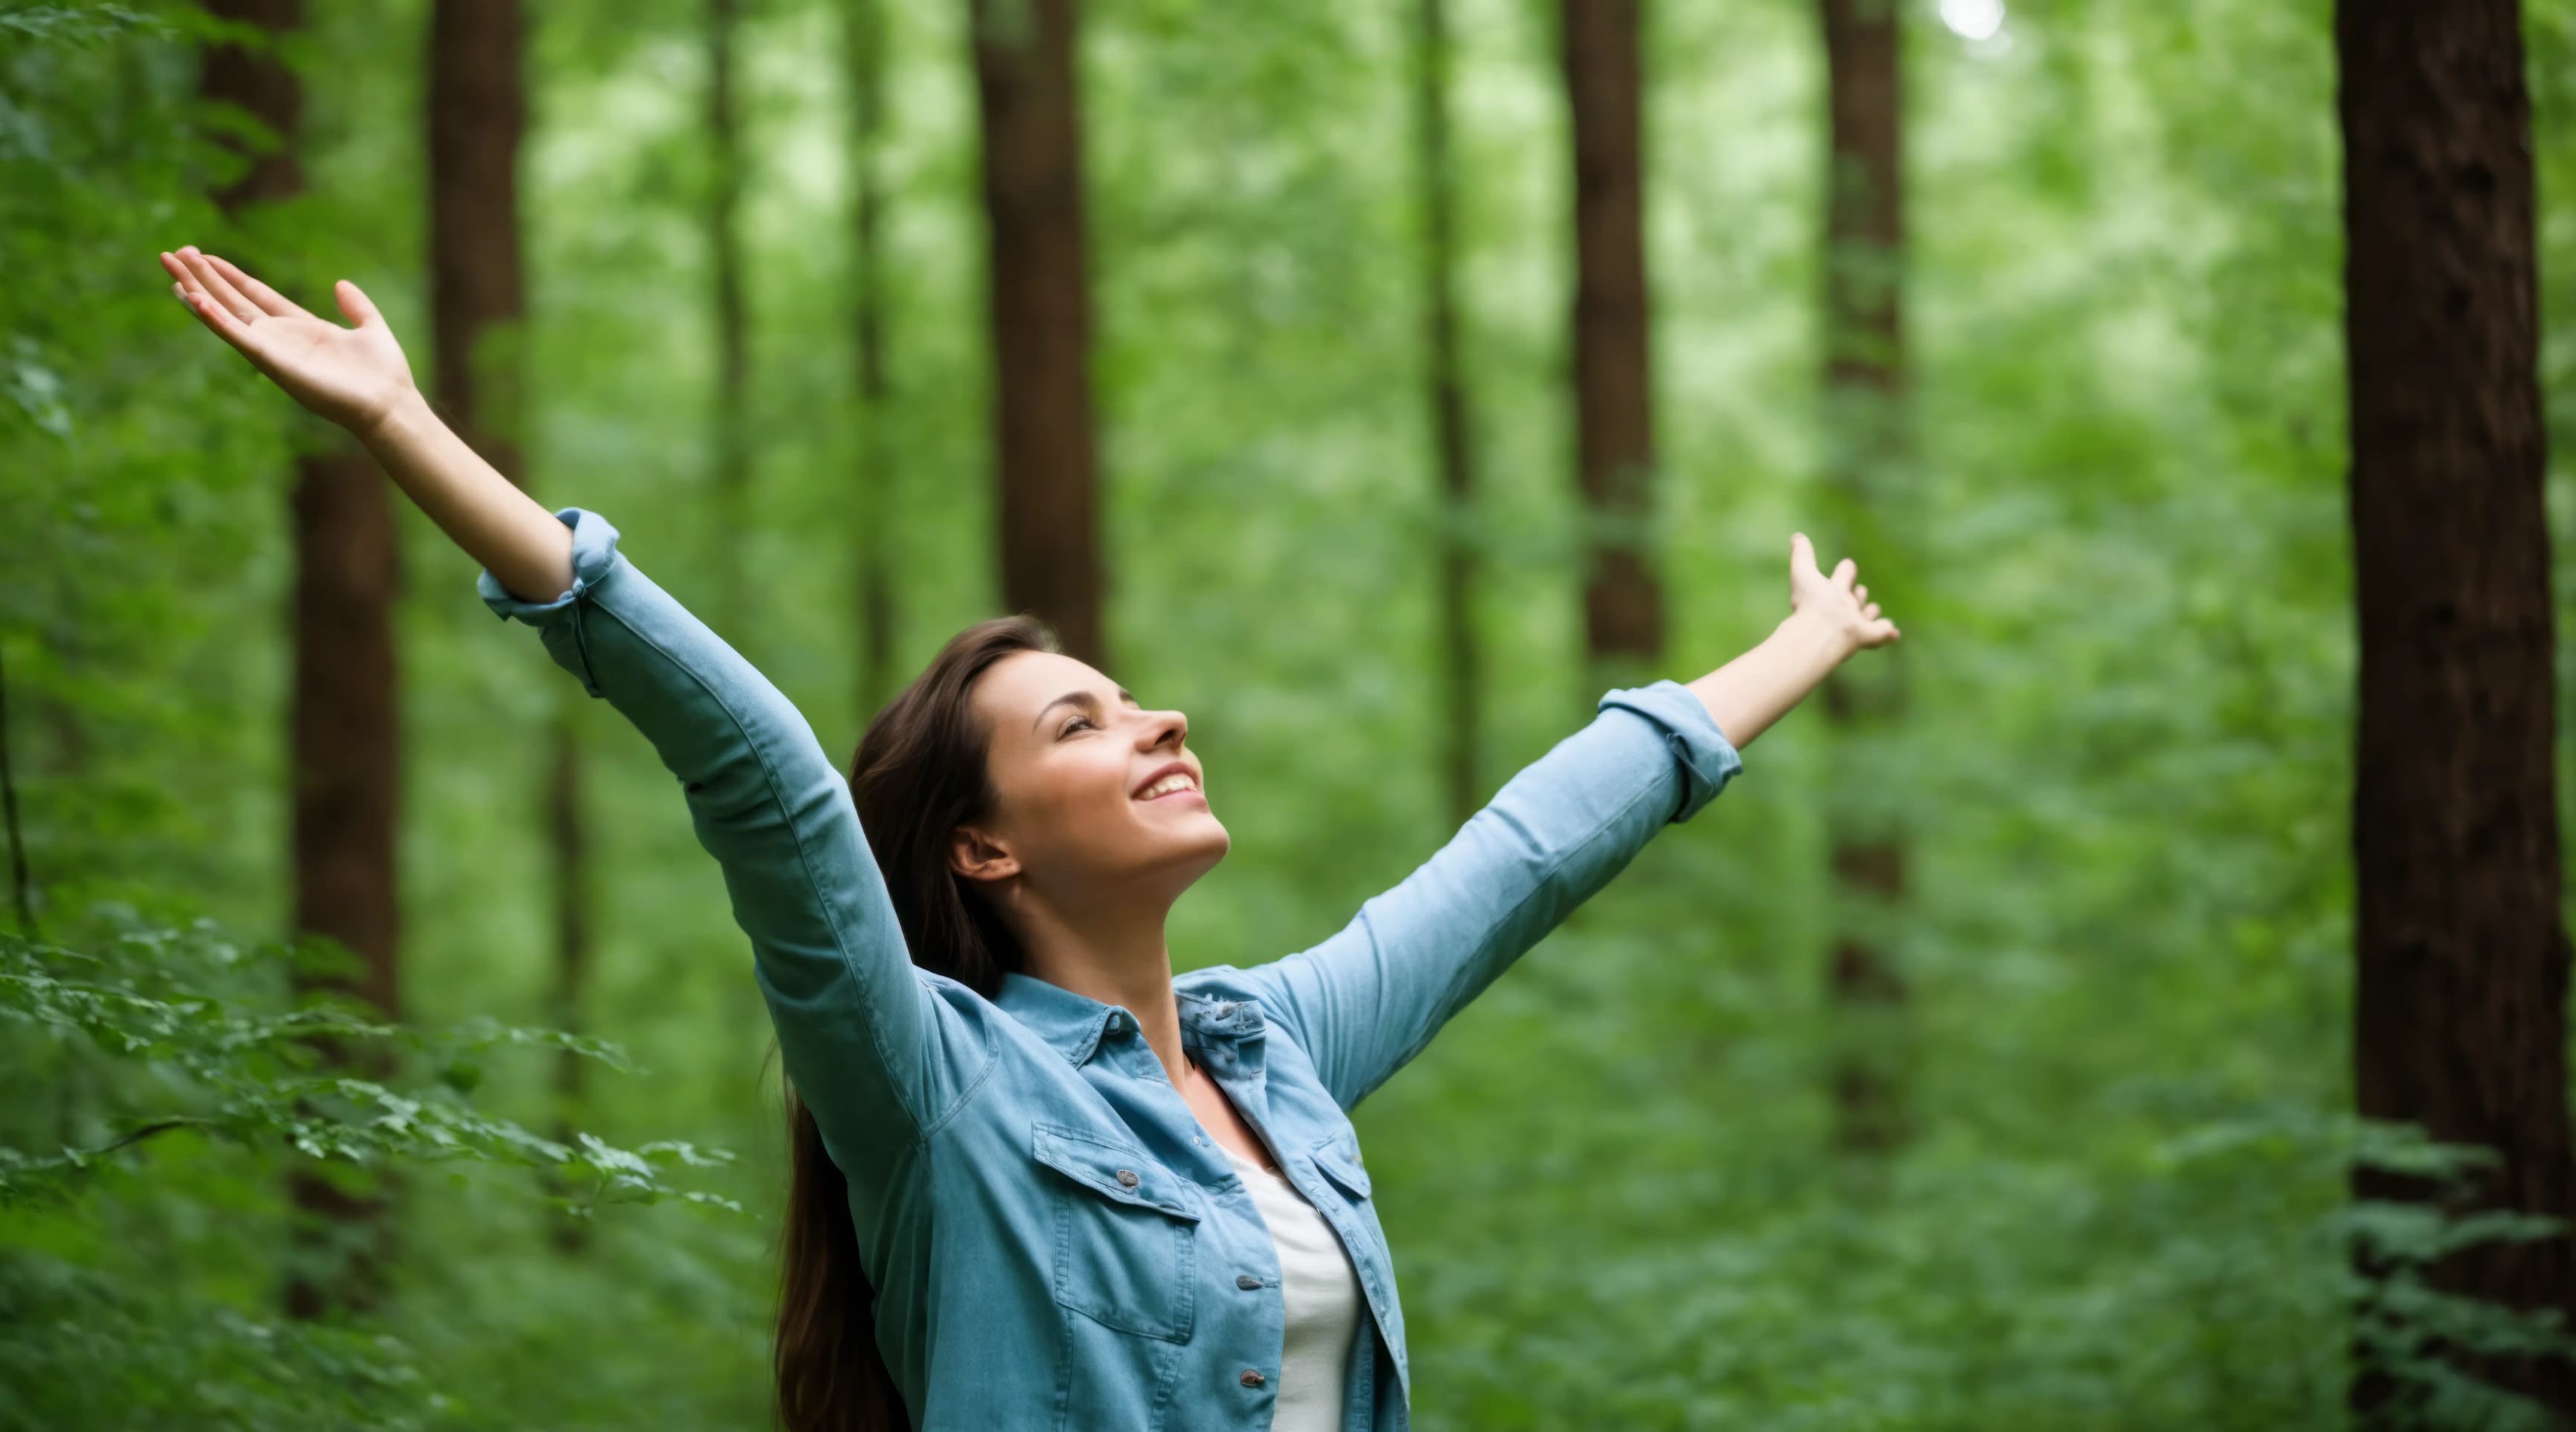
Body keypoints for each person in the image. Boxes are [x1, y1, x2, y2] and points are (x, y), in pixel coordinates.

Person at [159, 245, 1899, 1432]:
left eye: (1137, 699)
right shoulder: (931, 1088)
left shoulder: (1277, 1051)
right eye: (1082, 721)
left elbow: (1521, 857)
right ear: (982, 851)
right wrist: (406, 426)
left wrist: (1796, 650)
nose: (1161, 723)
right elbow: (760, 772)